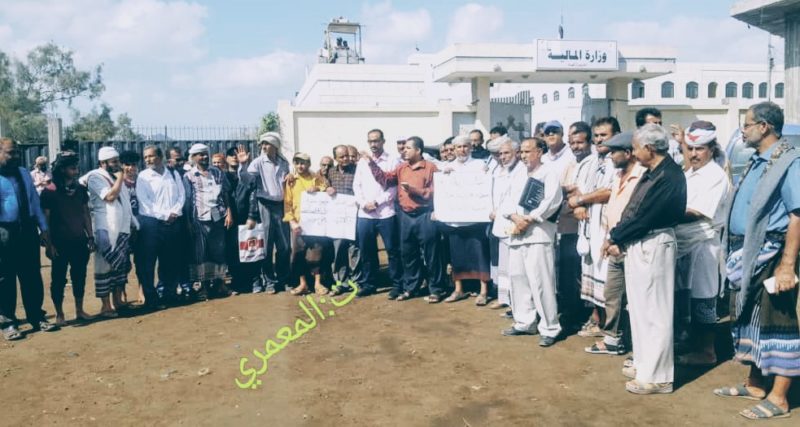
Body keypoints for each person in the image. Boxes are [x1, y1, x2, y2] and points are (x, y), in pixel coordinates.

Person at [714, 102, 800, 420]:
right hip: (749, 255)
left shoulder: (790, 162)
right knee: (751, 321)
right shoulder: (757, 161)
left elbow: (797, 215)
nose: (743, 130)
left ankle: (780, 398)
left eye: (747, 124)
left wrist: (787, 265)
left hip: (773, 256)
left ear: (764, 127)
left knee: (778, 324)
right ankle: (755, 384)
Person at [604, 123, 686, 395]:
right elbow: (633, 209)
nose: (634, 153)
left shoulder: (669, 176)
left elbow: (646, 216)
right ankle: (645, 364)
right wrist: (617, 235)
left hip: (655, 242)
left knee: (655, 310)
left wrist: (616, 237)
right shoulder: (652, 172)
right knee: (639, 308)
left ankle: (659, 376)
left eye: (637, 148)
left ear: (649, 148)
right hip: (639, 243)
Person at [672, 121, 730, 366]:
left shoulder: (715, 176)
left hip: (704, 243)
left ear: (711, 149)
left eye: (700, 149)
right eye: (690, 149)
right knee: (686, 296)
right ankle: (692, 342)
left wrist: (663, 213)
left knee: (703, 297)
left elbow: (697, 212)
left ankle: (707, 351)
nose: (694, 154)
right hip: (684, 242)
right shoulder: (690, 173)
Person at [584, 131, 646, 356]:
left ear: (628, 153)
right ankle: (613, 339)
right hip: (614, 241)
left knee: (636, 297)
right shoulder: (618, 175)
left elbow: (636, 214)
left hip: (632, 244)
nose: (610, 156)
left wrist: (619, 239)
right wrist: (608, 238)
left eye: (614, 152)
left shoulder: (642, 176)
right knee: (613, 294)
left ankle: (638, 346)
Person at [367, 136, 448, 302]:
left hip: (425, 215)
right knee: (408, 254)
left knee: (431, 254)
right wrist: (371, 163)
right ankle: (411, 288)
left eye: (408, 148)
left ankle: (436, 289)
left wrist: (414, 190)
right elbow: (385, 180)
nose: (404, 151)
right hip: (405, 216)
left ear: (418, 150)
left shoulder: (431, 168)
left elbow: (436, 192)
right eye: (403, 148)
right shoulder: (401, 167)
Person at [500, 137, 563, 347]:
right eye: (522, 152)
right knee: (518, 278)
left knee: (541, 281)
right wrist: (515, 217)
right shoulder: (518, 174)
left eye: (528, 151)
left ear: (539, 152)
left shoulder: (549, 173)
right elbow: (506, 200)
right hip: (517, 233)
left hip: (538, 234)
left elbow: (552, 201)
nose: (524, 156)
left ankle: (550, 327)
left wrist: (529, 218)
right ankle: (525, 321)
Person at [0, 138, 58, 340]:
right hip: (4, 232)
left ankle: (36, 317)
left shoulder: (24, 173)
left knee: (32, 275)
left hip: (27, 231)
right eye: (11, 153)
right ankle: (8, 322)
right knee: (5, 278)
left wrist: (44, 229)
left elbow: (34, 202)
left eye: (17, 152)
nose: (16, 156)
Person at [570, 118, 618, 338]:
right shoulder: (587, 162)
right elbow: (574, 190)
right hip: (588, 226)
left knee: (607, 274)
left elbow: (609, 191)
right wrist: (578, 205)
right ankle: (597, 318)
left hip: (607, 225)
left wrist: (582, 200)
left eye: (604, 135)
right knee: (590, 270)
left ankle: (612, 326)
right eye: (596, 136)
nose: (599, 140)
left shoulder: (618, 161)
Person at [41, 152, 94, 326]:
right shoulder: (49, 191)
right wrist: (49, 244)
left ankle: (79, 311)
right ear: (62, 169)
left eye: (76, 167)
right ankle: (60, 314)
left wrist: (90, 236)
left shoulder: (80, 190)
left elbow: (85, 213)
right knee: (58, 279)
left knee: (79, 276)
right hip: (59, 244)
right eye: (72, 168)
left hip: (79, 241)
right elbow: (45, 220)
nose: (76, 171)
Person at [438, 135, 492, 305]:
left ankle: (484, 291)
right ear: (453, 149)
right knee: (457, 255)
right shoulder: (447, 167)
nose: (462, 150)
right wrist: (444, 176)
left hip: (475, 219)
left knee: (480, 254)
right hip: (455, 219)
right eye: (459, 147)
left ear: (471, 148)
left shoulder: (480, 165)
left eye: (465, 146)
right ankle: (458, 289)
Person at [85, 146, 139, 317]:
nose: (118, 164)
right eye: (114, 162)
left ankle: (118, 301)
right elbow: (109, 197)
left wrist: (132, 223)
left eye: (118, 161)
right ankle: (106, 306)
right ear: (103, 163)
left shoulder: (115, 177)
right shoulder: (95, 177)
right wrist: (121, 177)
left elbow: (126, 203)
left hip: (121, 228)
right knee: (104, 267)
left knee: (120, 267)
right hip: (105, 228)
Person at [352, 129, 403, 298]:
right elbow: (356, 185)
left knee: (392, 250)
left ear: (383, 141)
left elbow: (393, 187)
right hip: (365, 214)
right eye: (370, 141)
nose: (373, 144)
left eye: (376, 141)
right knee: (367, 251)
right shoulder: (362, 162)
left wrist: (377, 202)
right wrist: (363, 203)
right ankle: (369, 284)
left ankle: (397, 284)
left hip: (386, 213)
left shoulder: (392, 160)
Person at [136, 145, 185, 307]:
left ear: (160, 156)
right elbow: (145, 202)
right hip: (151, 225)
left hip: (173, 223)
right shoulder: (143, 176)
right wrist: (165, 215)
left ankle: (169, 294)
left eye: (151, 156)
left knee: (171, 260)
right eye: (145, 157)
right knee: (147, 263)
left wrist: (175, 212)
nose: (148, 160)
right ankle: (151, 298)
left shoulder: (173, 173)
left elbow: (181, 195)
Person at [184, 144, 233, 299]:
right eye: (200, 154)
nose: (204, 157)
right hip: (199, 219)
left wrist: (229, 213)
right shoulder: (189, 176)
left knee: (219, 251)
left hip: (218, 217)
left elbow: (225, 193)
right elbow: (188, 200)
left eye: (206, 154)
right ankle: (203, 287)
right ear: (193, 157)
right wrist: (188, 222)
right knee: (201, 253)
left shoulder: (217, 172)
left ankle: (220, 284)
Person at [557, 121, 594, 331]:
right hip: (568, 225)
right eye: (572, 143)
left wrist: (576, 195)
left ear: (589, 142)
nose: (575, 147)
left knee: (583, 272)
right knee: (569, 272)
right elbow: (563, 189)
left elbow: (586, 193)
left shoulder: (594, 162)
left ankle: (585, 315)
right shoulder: (571, 164)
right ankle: (570, 312)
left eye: (580, 142)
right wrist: (569, 191)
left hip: (586, 222)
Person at [247, 132, 292, 294]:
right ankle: (269, 281)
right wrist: (243, 166)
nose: (264, 147)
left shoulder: (284, 163)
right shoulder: (258, 162)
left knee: (284, 246)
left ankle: (283, 279)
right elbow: (247, 180)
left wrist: (290, 176)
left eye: (267, 144)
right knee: (266, 246)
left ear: (275, 146)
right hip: (264, 205)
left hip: (281, 206)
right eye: (262, 144)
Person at [283, 152, 331, 296]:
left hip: (315, 224)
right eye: (297, 163)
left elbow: (326, 191)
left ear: (309, 164)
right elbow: (287, 203)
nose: (300, 166)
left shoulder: (316, 178)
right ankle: (302, 283)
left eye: (303, 163)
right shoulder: (291, 181)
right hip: (298, 224)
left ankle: (317, 283)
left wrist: (317, 189)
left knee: (316, 253)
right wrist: (292, 222)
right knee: (298, 254)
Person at [489, 137, 521, 314]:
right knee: (504, 264)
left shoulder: (522, 170)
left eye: (507, 153)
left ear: (516, 153)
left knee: (515, 266)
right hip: (501, 223)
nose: (503, 157)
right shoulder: (500, 170)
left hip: (516, 223)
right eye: (500, 154)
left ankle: (516, 303)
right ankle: (505, 299)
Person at [225, 146, 262, 293]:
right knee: (233, 252)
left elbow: (253, 195)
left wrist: (252, 216)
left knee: (252, 249)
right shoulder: (223, 176)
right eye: (231, 155)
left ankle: (254, 280)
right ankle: (237, 282)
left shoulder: (247, 175)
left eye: (237, 154)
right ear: (226, 159)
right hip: (230, 221)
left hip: (246, 219)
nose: (235, 157)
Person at [326, 145, 360, 292]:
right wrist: (327, 189)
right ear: (335, 159)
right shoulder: (331, 172)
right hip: (337, 218)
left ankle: (356, 281)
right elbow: (324, 185)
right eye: (342, 157)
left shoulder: (357, 170)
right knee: (339, 249)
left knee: (354, 249)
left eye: (347, 155)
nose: (346, 158)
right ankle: (341, 282)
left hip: (354, 216)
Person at [119, 150, 142, 303]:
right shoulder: (118, 182)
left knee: (141, 260)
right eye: (127, 165)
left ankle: (141, 290)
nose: (131, 168)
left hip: (140, 226)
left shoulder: (141, 181)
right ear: (122, 165)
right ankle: (122, 292)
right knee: (123, 262)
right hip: (123, 226)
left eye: (133, 164)